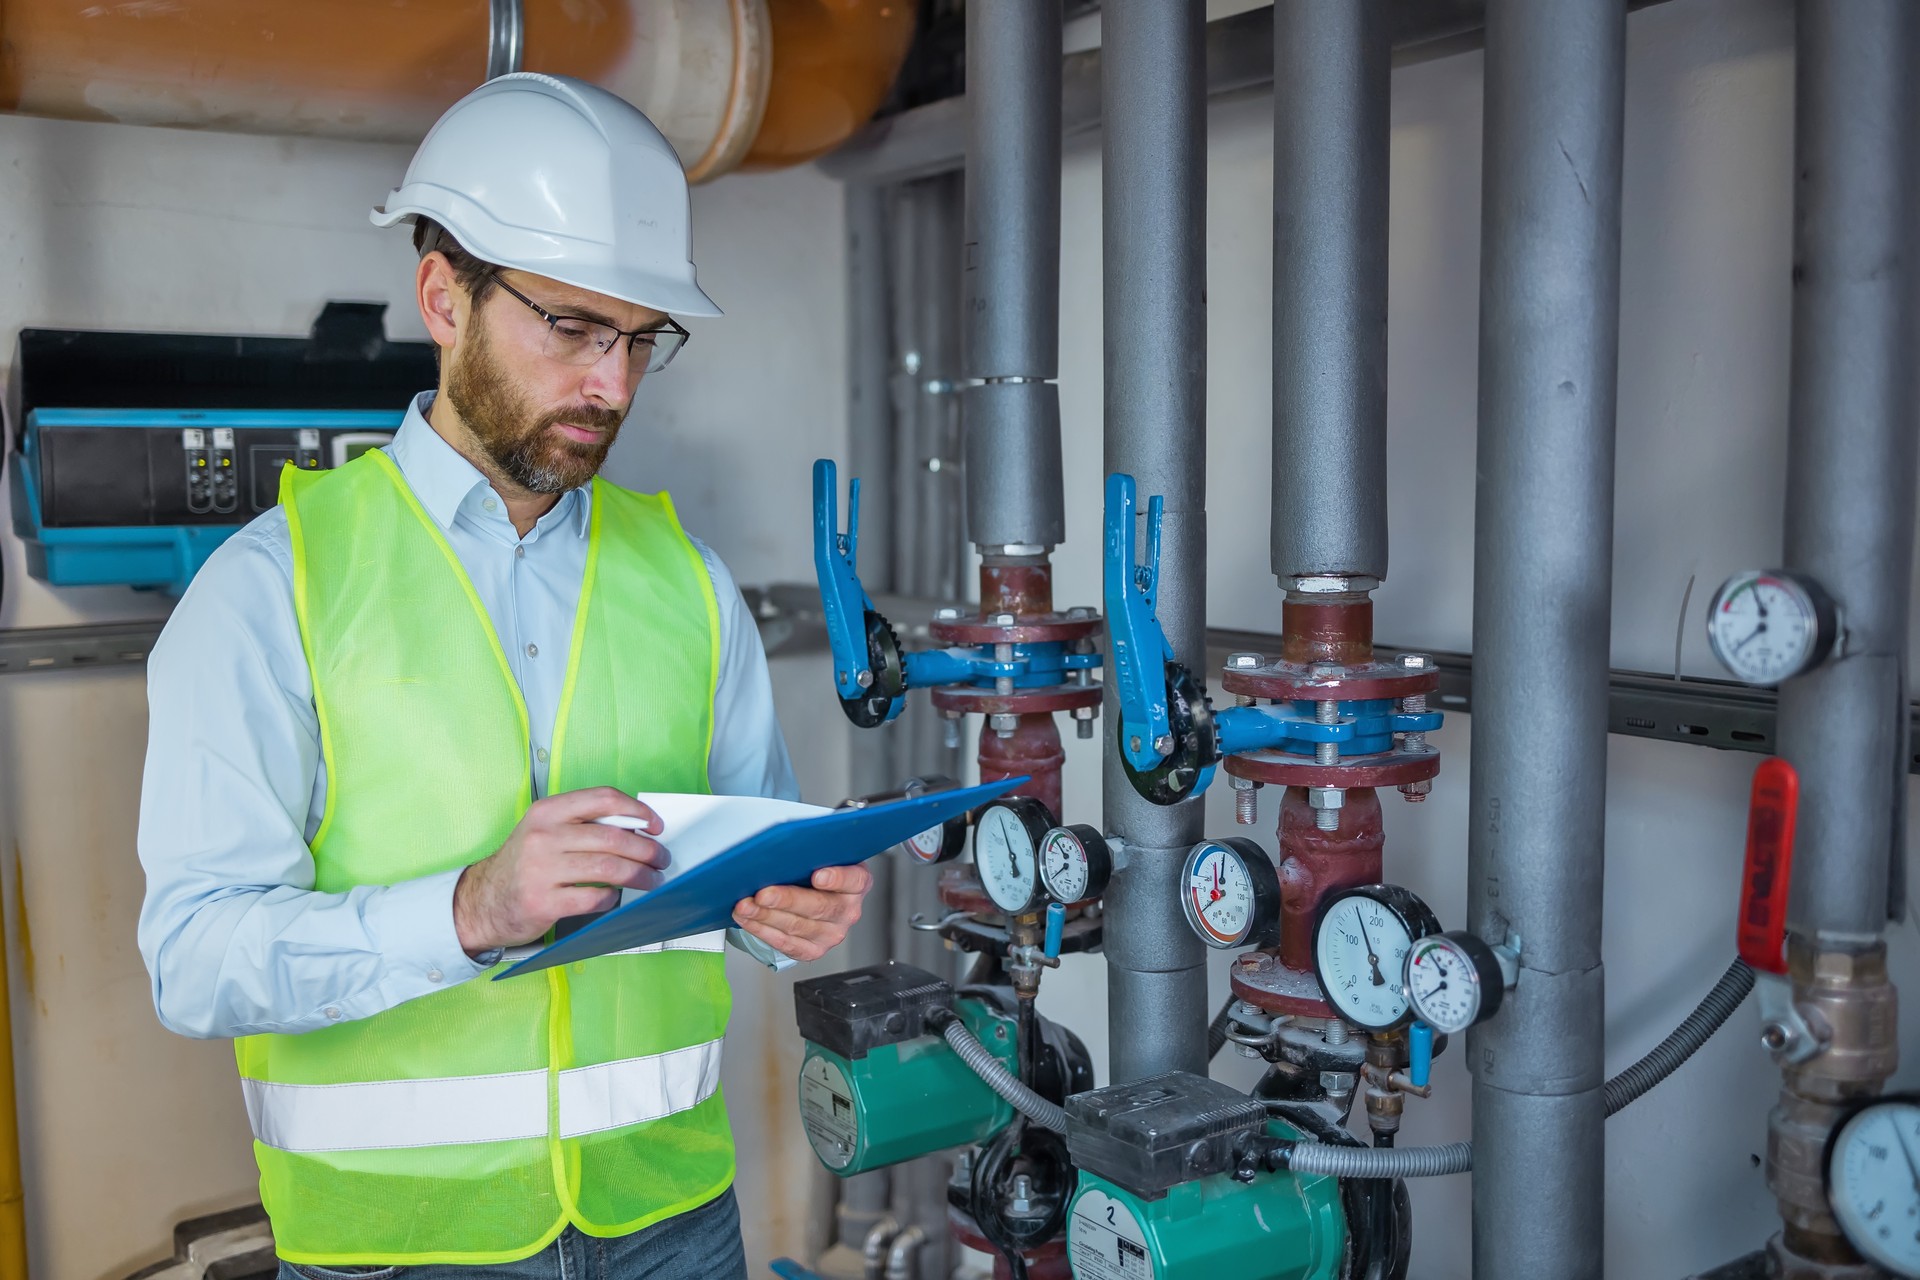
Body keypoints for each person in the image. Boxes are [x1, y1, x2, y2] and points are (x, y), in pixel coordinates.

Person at [136, 72, 870, 1280]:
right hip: (408, 1247)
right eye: (573, 327)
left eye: (640, 338)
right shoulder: (275, 590)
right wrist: (469, 909)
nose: (614, 383)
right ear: (444, 295)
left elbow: (742, 863)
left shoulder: (687, 580)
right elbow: (196, 957)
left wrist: (784, 915)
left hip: (673, 1216)